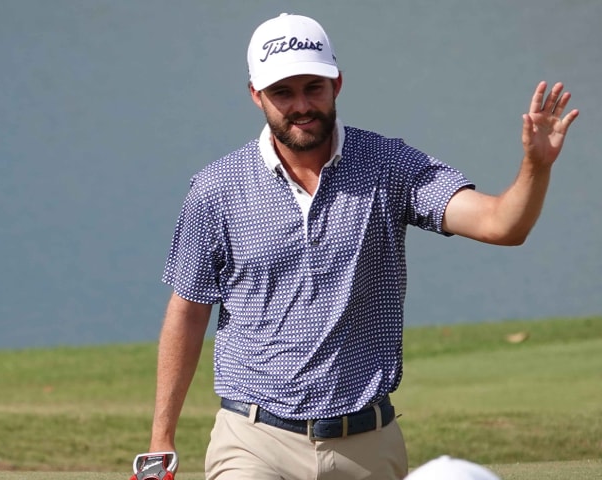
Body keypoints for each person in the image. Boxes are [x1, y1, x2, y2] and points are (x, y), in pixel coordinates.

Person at [137, 11, 578, 480]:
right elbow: (187, 311)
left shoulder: (388, 165)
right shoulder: (216, 188)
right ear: (255, 95)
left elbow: (500, 225)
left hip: (367, 444)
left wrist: (536, 166)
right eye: (283, 92)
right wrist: (161, 438)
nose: (301, 104)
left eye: (313, 87)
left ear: (337, 84)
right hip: (254, 440)